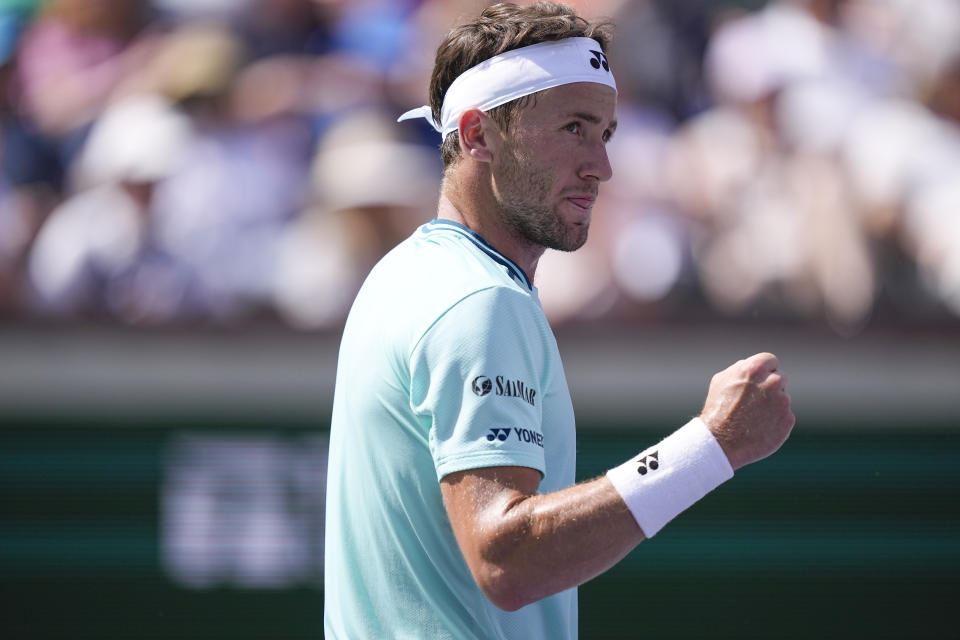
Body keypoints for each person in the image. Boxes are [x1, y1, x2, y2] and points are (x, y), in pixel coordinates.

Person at [323, 3, 795, 639]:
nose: (601, 165)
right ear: (477, 134)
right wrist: (711, 446)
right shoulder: (480, 301)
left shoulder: (403, 275)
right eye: (573, 128)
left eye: (605, 133)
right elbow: (506, 558)